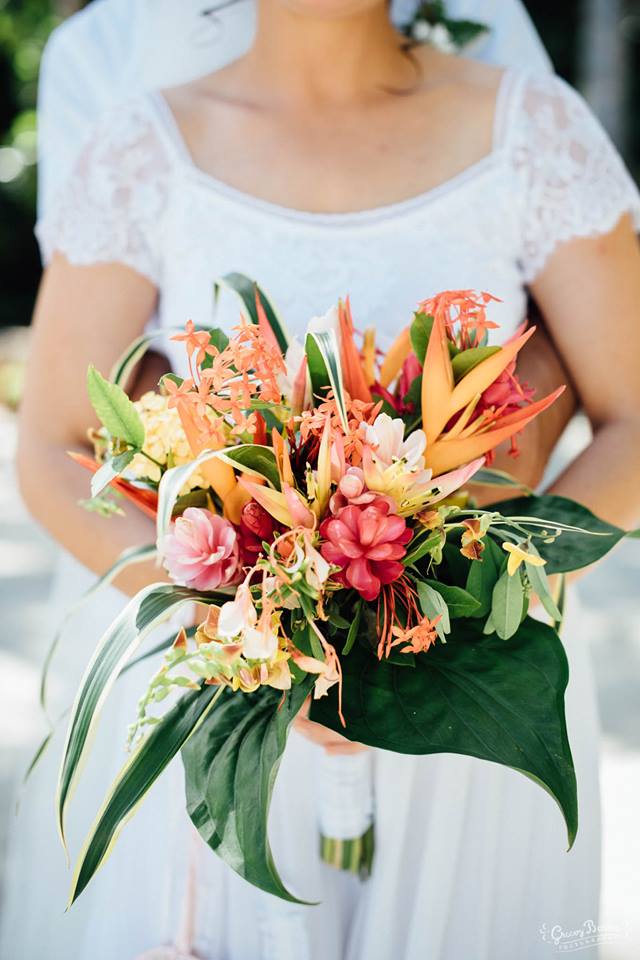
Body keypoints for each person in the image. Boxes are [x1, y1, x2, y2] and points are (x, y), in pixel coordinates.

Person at [6, 0, 640, 957]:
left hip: (467, 718)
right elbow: (55, 446)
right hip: (228, 696)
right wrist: (245, 631)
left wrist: (467, 608)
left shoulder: (533, 131)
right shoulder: (141, 152)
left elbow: (631, 412)